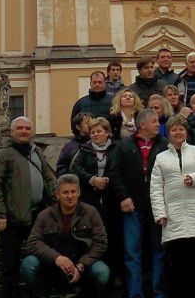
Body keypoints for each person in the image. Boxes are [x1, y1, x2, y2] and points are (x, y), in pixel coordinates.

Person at [0, 116, 57, 298]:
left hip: (38, 215)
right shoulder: (4, 154)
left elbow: (48, 177)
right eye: (20, 128)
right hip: (12, 217)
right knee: (11, 263)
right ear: (12, 131)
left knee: (43, 258)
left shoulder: (36, 151)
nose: (24, 131)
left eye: (27, 128)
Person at [150, 115, 195, 297]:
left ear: (186, 132)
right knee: (178, 267)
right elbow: (156, 188)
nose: (178, 132)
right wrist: (160, 213)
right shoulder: (160, 158)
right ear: (169, 133)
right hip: (173, 218)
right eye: (174, 129)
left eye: (181, 129)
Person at [108, 109, 169, 298]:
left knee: (160, 251)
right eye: (154, 122)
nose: (158, 125)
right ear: (142, 125)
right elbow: (114, 172)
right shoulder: (124, 145)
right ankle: (135, 294)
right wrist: (123, 196)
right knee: (132, 252)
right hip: (132, 206)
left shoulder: (165, 145)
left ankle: (160, 293)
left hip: (158, 206)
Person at [21, 174, 110, 297]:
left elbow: (101, 243)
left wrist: (81, 265)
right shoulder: (44, 216)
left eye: (73, 191)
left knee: (102, 271)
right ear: (58, 194)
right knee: (28, 263)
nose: (70, 196)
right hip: (52, 267)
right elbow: (33, 242)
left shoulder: (91, 212)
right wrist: (56, 258)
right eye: (65, 192)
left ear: (79, 193)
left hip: (82, 266)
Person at [70, 117, 121, 287]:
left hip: (112, 200)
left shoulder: (117, 148)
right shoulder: (84, 150)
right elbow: (75, 169)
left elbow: (121, 169)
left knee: (114, 236)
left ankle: (114, 275)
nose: (96, 135)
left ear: (107, 132)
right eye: (93, 132)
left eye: (99, 131)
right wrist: (92, 180)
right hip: (90, 200)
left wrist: (108, 181)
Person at [56, 112, 91, 176]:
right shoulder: (69, 147)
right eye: (87, 123)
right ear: (78, 127)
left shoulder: (97, 143)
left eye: (91, 123)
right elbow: (61, 169)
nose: (90, 126)